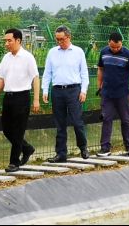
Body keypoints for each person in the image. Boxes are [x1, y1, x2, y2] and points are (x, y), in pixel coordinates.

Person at [43, 25, 90, 163]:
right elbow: (47, 73)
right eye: (57, 39)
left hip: (74, 90)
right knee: (60, 124)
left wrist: (83, 90)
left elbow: (84, 73)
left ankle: (83, 147)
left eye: (62, 39)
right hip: (57, 90)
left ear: (69, 37)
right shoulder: (52, 52)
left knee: (77, 121)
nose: (59, 42)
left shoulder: (78, 52)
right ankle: (61, 153)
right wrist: (45, 90)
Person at [0, 28, 40, 172]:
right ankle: (27, 148)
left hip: (22, 97)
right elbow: (1, 79)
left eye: (9, 41)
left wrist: (36, 99)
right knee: (7, 129)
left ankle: (14, 162)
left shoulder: (28, 57)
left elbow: (35, 78)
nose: (6, 44)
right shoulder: (6, 58)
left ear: (18, 40)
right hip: (8, 97)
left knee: (18, 130)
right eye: (5, 41)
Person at [96, 32, 129, 157]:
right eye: (113, 47)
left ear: (121, 44)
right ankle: (105, 148)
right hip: (107, 93)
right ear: (108, 43)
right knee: (106, 119)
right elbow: (100, 69)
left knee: (125, 120)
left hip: (122, 93)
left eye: (118, 47)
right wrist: (99, 86)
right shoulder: (104, 52)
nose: (115, 49)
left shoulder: (127, 54)